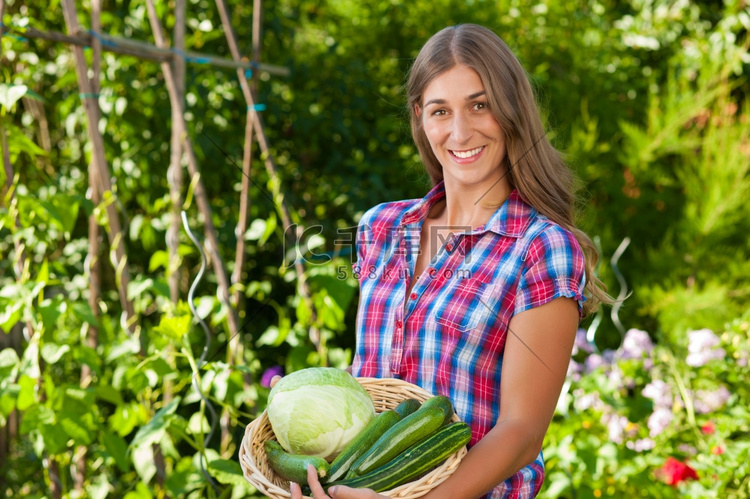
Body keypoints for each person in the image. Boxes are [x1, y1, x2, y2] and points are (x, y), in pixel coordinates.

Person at [288, 23, 611, 499]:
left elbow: (521, 434)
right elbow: (370, 386)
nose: (461, 131)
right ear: (420, 118)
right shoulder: (382, 228)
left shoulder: (540, 248)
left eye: (480, 105)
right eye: (441, 110)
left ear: (511, 110)